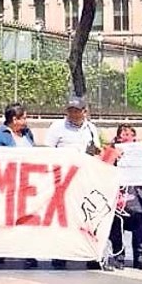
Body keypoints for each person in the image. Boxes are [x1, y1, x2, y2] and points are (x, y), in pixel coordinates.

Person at [43, 97, 103, 270]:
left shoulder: (91, 128)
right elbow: (47, 151)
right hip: (64, 180)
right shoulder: (57, 127)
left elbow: (97, 151)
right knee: (64, 218)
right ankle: (60, 254)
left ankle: (91, 254)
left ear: (85, 112)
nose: (73, 114)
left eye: (77, 111)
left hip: (85, 180)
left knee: (87, 217)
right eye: (70, 111)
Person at [0, 103, 40, 269]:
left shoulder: (27, 133)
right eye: (23, 117)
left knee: (27, 218)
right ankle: (1, 250)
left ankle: (28, 252)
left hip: (27, 182)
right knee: (7, 217)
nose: (26, 120)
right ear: (14, 119)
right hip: (8, 182)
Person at [102, 124, 142, 271]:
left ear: (134, 137)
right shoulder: (111, 150)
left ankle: (140, 258)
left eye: (129, 134)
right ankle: (118, 257)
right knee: (117, 227)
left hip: (137, 194)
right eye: (123, 134)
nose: (126, 137)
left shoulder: (141, 149)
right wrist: (114, 155)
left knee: (140, 226)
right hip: (118, 195)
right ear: (118, 137)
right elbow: (103, 166)